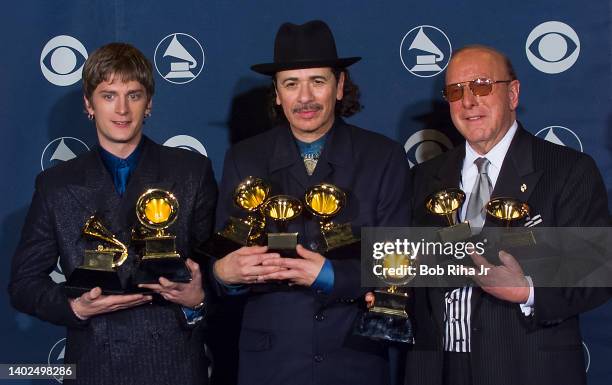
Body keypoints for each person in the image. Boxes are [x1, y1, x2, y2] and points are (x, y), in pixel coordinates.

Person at [211, 20, 411, 385]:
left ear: (340, 86)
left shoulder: (384, 157)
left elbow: (401, 261)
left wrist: (331, 276)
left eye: (317, 81)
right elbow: (221, 257)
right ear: (276, 93)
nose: (304, 98)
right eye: (291, 84)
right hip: (270, 364)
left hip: (354, 360)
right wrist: (225, 275)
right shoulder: (244, 158)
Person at [9, 42, 217, 385]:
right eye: (108, 95)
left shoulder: (191, 172)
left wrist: (198, 298)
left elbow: (216, 270)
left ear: (149, 103)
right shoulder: (56, 185)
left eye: (133, 95)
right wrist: (76, 308)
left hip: (175, 366)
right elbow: (24, 285)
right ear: (89, 104)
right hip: (95, 366)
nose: (122, 109)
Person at [403, 45, 611, 385]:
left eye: (482, 85)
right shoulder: (424, 177)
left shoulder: (567, 170)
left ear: (512, 93)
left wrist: (527, 290)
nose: (468, 101)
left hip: (526, 365)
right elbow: (410, 266)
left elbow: (598, 270)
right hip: (436, 368)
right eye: (456, 91)